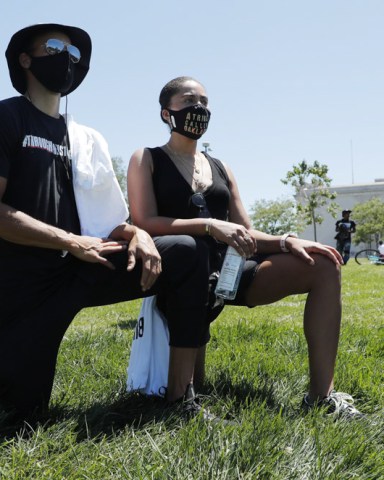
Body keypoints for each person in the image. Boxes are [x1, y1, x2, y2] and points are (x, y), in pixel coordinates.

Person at [0, 26, 210, 422]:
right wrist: (70, 240)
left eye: (74, 51)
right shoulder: (7, 117)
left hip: (80, 266)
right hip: (21, 283)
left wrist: (138, 234)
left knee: (185, 250)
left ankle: (180, 397)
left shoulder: (85, 137)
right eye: (56, 47)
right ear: (25, 60)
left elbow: (109, 221)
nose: (68, 56)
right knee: (22, 411)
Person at [127, 76, 362, 419]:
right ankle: (185, 386)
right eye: (189, 100)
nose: (199, 109)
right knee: (195, 383)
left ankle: (321, 398)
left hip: (232, 273)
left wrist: (288, 241)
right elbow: (144, 220)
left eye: (205, 102)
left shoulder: (221, 167)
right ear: (166, 113)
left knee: (324, 265)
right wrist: (209, 225)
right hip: (182, 274)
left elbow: (246, 232)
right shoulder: (146, 158)